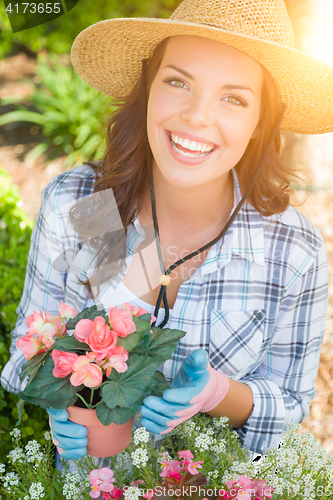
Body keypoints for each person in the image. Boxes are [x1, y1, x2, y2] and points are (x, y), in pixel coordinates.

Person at [1, 0, 332, 465]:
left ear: (261, 121)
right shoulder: (88, 207)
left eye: (233, 97)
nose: (197, 116)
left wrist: (217, 392)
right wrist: (60, 398)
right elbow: (25, 353)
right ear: (148, 89)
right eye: (178, 82)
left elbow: (291, 407)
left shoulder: (290, 250)